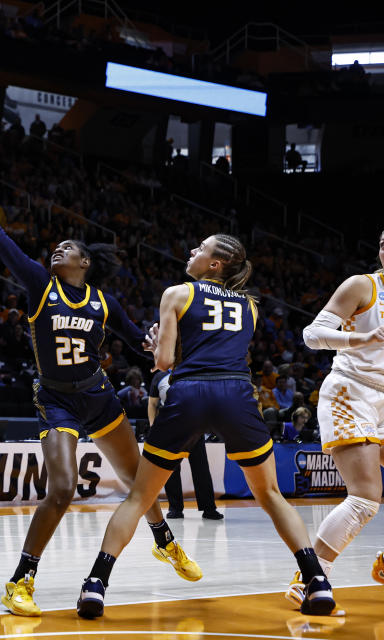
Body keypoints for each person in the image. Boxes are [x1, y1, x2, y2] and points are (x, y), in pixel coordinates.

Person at [0, 149, 198, 618]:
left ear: (83, 262)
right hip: (55, 400)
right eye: (55, 248)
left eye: (66, 247)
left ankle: (164, 542)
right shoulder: (38, 283)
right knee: (62, 488)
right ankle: (20, 581)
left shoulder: (103, 302)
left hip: (99, 398)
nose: (56, 250)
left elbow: (138, 341)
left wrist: (151, 342)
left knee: (137, 481)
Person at [75, 234, 334, 619]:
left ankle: (96, 585)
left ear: (216, 264)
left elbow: (163, 362)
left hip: (190, 392)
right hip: (236, 393)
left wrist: (157, 344)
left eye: (201, 249)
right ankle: (317, 580)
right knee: (270, 495)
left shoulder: (177, 294)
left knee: (139, 498)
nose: (192, 252)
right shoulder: (250, 305)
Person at [285, 230, 384, 608]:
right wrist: (359, 339)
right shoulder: (362, 286)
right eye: (381, 244)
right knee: (364, 498)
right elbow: (312, 334)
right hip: (351, 390)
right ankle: (308, 578)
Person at [148, 369, 222, 520]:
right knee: (170, 470)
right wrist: (153, 427)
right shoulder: (159, 376)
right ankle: (175, 508)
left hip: (194, 427)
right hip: (169, 428)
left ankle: (209, 508)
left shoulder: (193, 371)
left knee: (201, 468)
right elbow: (152, 403)